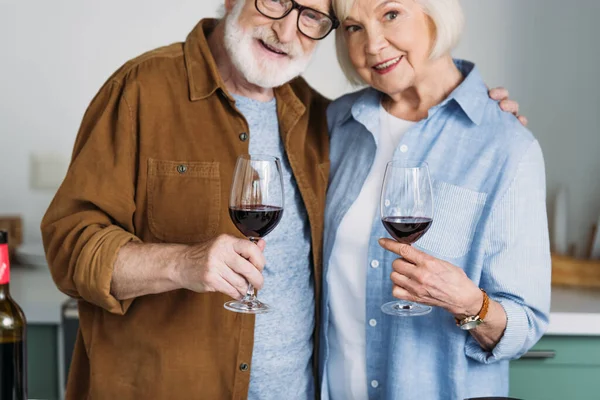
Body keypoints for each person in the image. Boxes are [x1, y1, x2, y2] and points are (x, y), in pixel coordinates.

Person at [41, 0, 524, 398]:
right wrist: (183, 264)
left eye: (311, 16)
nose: (286, 30)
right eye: (275, 1)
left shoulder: (322, 119)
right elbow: (69, 248)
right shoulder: (141, 89)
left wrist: (480, 109)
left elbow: (414, 108)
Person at [320, 0, 550, 399]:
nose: (372, 45)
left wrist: (469, 304)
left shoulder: (506, 144)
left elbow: (524, 325)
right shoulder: (336, 125)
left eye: (390, 14)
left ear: (435, 13)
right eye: (352, 27)